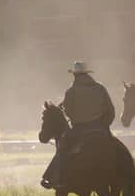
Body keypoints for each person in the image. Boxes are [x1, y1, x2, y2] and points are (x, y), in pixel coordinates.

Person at [41, 61, 115, 189]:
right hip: (100, 128)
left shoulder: (71, 91)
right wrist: (104, 125)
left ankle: (54, 178)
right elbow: (110, 110)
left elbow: (68, 111)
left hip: (80, 129)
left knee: (63, 148)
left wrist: (76, 117)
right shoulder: (101, 88)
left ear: (75, 75)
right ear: (87, 74)